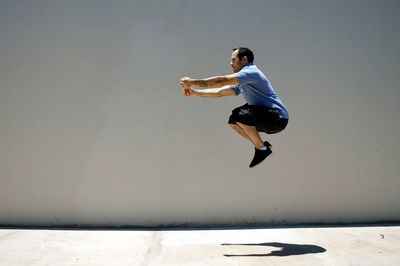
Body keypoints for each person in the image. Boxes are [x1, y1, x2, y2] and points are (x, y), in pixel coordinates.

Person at [180, 47, 289, 168]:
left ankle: (261, 149)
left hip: (277, 117)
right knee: (233, 120)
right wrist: (195, 92)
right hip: (267, 118)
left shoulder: (252, 72)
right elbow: (219, 92)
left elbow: (222, 81)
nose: (230, 63)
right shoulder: (243, 81)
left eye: (233, 60)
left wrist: (192, 82)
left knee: (240, 115)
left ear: (244, 59)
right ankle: (262, 147)